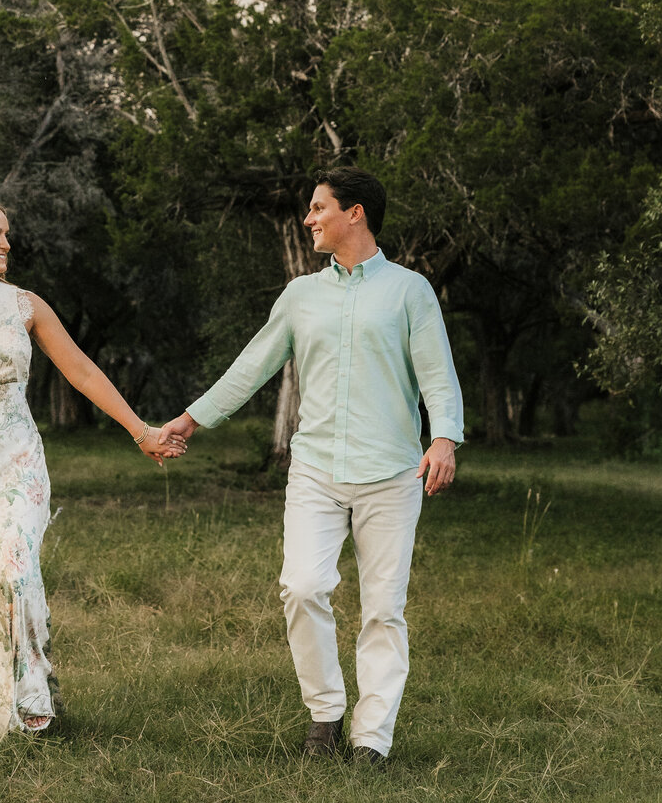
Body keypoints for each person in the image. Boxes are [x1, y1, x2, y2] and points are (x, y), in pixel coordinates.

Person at [160, 167, 462, 767]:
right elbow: (252, 366)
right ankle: (325, 713)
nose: (308, 219)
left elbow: (436, 371)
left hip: (392, 474)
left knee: (383, 608)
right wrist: (190, 420)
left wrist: (445, 438)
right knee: (301, 586)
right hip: (316, 470)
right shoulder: (300, 295)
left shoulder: (410, 291)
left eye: (319, 207)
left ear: (356, 213)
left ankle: (371, 739)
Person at [0, 197, 183, 742]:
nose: (5, 244)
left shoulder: (25, 305)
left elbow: (83, 372)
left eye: (7, 234)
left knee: (16, 571)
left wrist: (141, 431)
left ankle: (32, 697)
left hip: (17, 463)